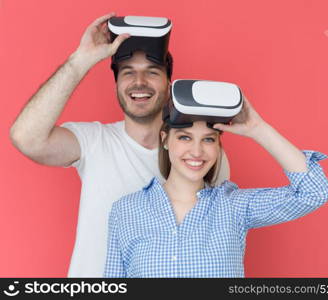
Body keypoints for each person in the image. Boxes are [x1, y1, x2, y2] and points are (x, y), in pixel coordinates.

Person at [8, 12, 231, 277]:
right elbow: (26, 138)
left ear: (169, 83)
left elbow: (213, 243)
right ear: (116, 84)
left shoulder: (198, 155)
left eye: (152, 72)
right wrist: (82, 59)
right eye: (128, 73)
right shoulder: (93, 141)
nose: (139, 82)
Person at [104, 91, 328, 278]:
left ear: (218, 146)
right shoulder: (125, 211)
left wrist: (258, 129)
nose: (196, 151)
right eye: (185, 137)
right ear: (165, 140)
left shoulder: (234, 206)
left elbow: (315, 191)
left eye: (208, 139)